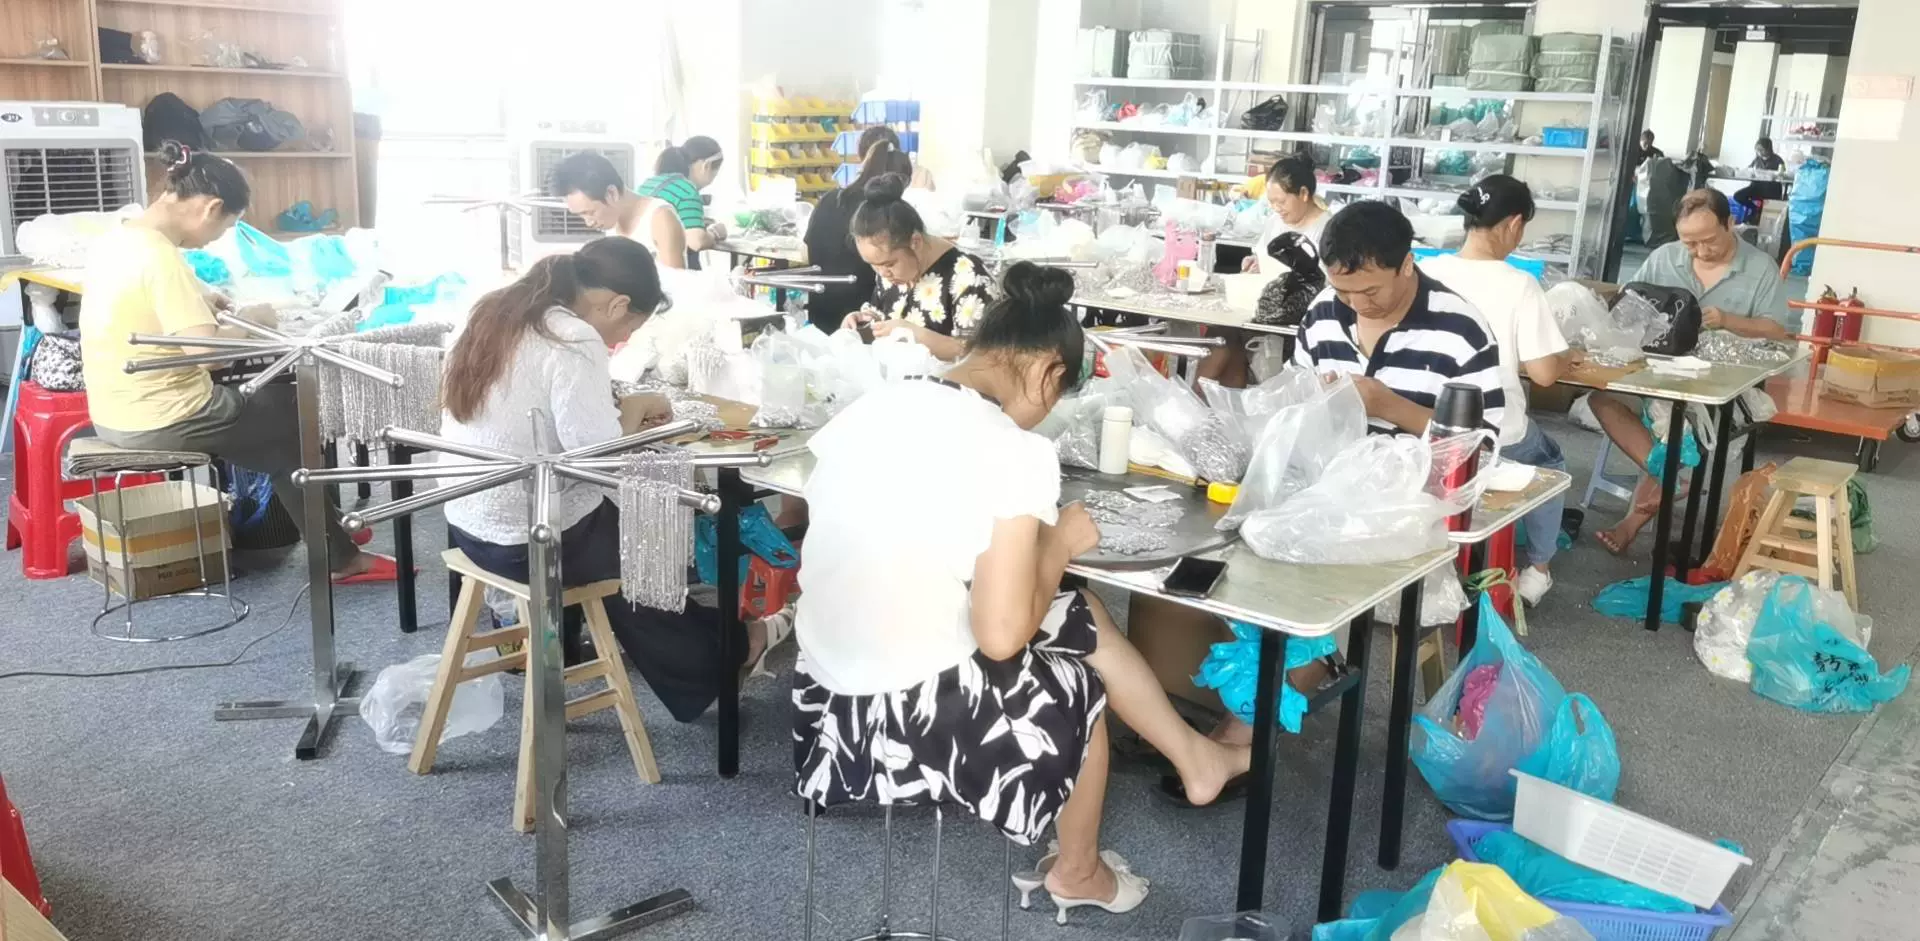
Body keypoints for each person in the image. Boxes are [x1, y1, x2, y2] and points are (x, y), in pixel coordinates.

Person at [792, 262, 1250, 919]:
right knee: (1077, 681)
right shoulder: (1011, 449)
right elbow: (1002, 637)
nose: (1043, 416)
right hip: (908, 707)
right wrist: (1058, 543)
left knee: (1077, 610)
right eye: (1055, 398)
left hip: (822, 679)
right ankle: (1079, 870)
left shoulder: (875, 406)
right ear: (1046, 372)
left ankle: (1195, 759)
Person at [439, 238, 787, 721]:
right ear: (618, 304)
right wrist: (640, 407)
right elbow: (599, 456)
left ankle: (710, 645)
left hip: (468, 521)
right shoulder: (573, 336)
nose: (620, 341)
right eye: (629, 328)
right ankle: (729, 649)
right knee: (652, 549)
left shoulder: (498, 308)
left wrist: (617, 408)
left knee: (628, 541)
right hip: (528, 538)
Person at [79, 141, 393, 583]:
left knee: (278, 429)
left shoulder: (123, 237)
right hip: (163, 416)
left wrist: (208, 298)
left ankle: (332, 533)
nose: (217, 238)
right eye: (224, 227)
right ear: (211, 208)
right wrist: (252, 320)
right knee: (295, 412)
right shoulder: (158, 257)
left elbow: (159, 297)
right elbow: (207, 355)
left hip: (114, 412)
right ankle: (340, 555)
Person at [1590, 187, 1791, 554]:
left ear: (1730, 223)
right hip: (1658, 374)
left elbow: (1777, 330)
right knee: (1602, 399)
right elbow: (1628, 306)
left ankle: (1634, 519)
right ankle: (1667, 477)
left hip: (1722, 386)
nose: (1699, 251)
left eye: (1708, 241)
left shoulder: (1760, 268)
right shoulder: (1665, 258)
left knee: (1681, 428)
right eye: (1690, 243)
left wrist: (1728, 320)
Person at [1417, 177, 1575, 604]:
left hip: (1427, 423)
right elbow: (1544, 374)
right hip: (1494, 430)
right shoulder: (1518, 283)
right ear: (1514, 224)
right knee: (1551, 461)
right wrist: (1567, 354)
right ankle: (1538, 570)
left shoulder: (1428, 272)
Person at [1292, 200, 1506, 437]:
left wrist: (1388, 406)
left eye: (1370, 292)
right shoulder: (1321, 312)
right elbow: (1294, 400)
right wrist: (1315, 397)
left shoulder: (1461, 330)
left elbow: (1483, 442)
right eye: (1342, 291)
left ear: (1406, 265)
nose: (1358, 305)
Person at [840, 173, 991, 361]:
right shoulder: (886, 274)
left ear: (915, 242)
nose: (883, 274)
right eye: (873, 265)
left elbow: (981, 354)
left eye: (889, 264)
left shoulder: (968, 276)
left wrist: (916, 335)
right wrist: (868, 321)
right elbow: (884, 315)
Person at [804, 132, 914, 332]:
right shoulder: (883, 215)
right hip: (861, 320)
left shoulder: (830, 198)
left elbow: (808, 248)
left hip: (819, 310)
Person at [549, 151, 688, 269]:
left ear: (611, 193)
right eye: (581, 215)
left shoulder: (661, 219)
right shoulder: (612, 221)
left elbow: (675, 286)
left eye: (590, 213)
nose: (589, 223)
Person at [638, 136, 727, 261]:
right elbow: (697, 242)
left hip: (638, 260)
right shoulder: (687, 190)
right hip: (662, 266)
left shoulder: (649, 183)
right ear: (706, 166)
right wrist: (715, 233)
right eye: (715, 174)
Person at [1241, 154, 1331, 275]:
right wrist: (1256, 261)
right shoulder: (1275, 221)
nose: (1276, 208)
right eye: (1271, 202)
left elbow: (1327, 279)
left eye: (1281, 202)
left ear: (1303, 193)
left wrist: (1272, 269)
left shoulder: (1328, 231)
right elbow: (1263, 254)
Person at [1732, 137, 1787, 218]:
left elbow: (1783, 175)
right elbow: (1749, 170)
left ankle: (1757, 213)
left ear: (1769, 149)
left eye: (1762, 150)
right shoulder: (1757, 159)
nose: (1759, 152)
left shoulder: (1778, 160)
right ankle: (1755, 208)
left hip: (1771, 190)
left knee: (1764, 208)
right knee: (1738, 196)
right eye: (1757, 150)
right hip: (1756, 188)